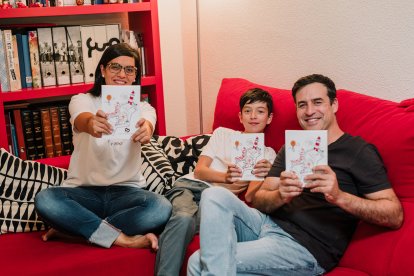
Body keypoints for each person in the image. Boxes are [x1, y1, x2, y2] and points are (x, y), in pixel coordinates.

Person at [187, 74, 403, 275]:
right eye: (302, 105)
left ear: (334, 105)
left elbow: (394, 215)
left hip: (304, 246)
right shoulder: (291, 148)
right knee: (213, 196)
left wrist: (339, 196)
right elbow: (260, 200)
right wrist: (280, 194)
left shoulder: (358, 151)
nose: (309, 111)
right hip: (264, 223)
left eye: (317, 102)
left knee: (198, 261)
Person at [35, 43, 172, 250]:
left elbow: (148, 122)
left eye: (129, 69)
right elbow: (82, 119)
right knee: (45, 199)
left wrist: (146, 129)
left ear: (135, 76)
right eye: (115, 67)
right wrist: (91, 124)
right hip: (83, 193)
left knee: (161, 207)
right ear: (103, 70)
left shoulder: (144, 107)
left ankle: (77, 228)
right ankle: (123, 239)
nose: (122, 74)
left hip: (127, 193)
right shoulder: (82, 100)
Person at [155, 88, 277, 276]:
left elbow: (252, 197)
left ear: (269, 118)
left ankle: (156, 229)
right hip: (189, 186)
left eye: (260, 111)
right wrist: (225, 177)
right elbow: (200, 171)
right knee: (183, 217)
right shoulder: (223, 134)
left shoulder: (267, 154)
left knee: (184, 221)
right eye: (247, 110)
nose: (253, 116)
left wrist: (265, 175)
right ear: (240, 116)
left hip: (216, 202)